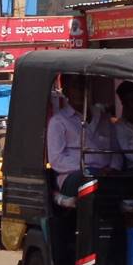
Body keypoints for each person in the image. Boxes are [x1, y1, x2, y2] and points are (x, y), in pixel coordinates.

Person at [46, 75, 88, 206]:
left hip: (106, 173)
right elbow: (57, 160)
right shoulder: (58, 122)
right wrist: (87, 168)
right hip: (73, 176)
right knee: (88, 181)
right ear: (66, 92)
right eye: (76, 87)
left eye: (84, 87)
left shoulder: (103, 119)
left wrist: (113, 167)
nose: (81, 92)